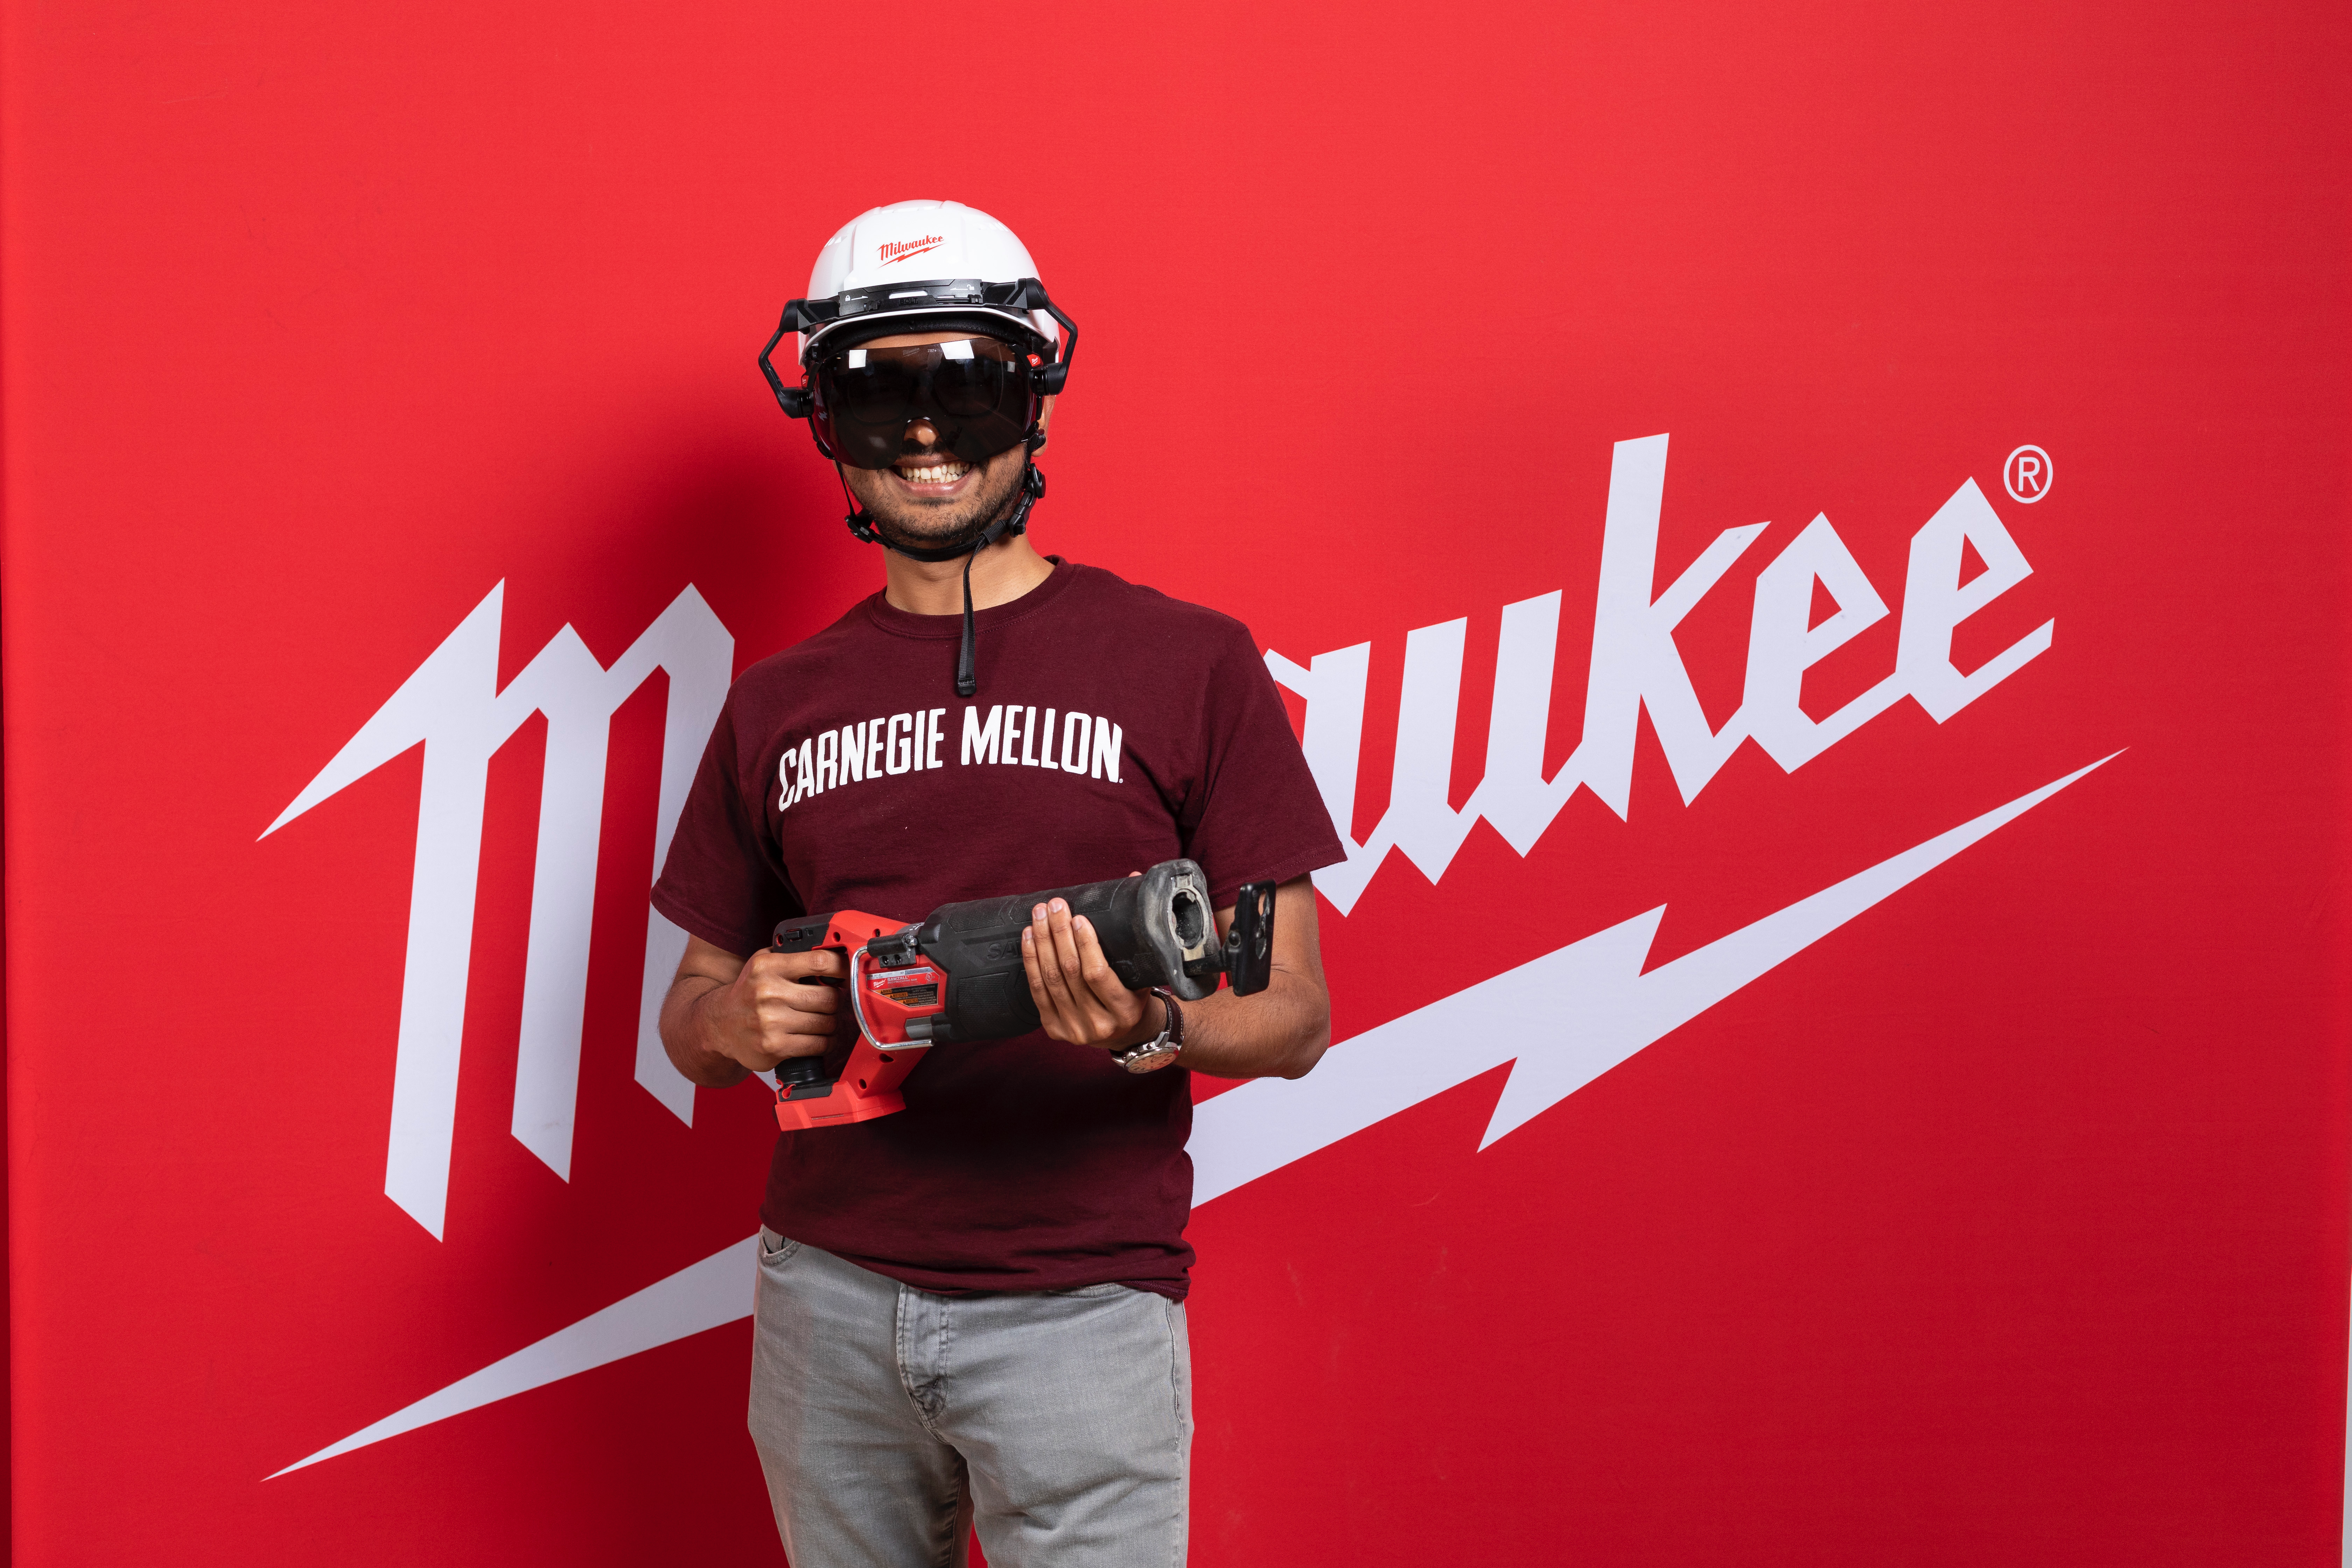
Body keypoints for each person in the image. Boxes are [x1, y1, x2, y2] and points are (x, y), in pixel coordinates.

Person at [650, 199, 1344, 1568]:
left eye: (960, 384)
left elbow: (1301, 1014)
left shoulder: (1189, 663)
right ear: (829, 421)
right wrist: (730, 1027)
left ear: (1030, 394)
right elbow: (690, 1011)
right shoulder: (776, 704)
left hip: (1077, 1305)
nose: (922, 432)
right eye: (880, 392)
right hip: (826, 1300)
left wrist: (1149, 1026)